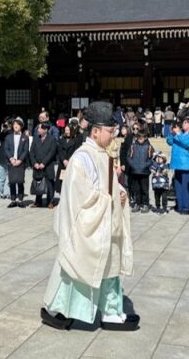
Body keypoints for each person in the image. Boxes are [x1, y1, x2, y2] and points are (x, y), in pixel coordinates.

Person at [41, 101, 137, 332]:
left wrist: (120, 195)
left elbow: (112, 186)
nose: (113, 135)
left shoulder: (104, 155)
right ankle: (58, 310)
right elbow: (79, 196)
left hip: (106, 222)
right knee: (76, 265)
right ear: (95, 131)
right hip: (89, 224)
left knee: (109, 264)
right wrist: (110, 200)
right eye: (109, 130)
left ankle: (111, 311)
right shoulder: (81, 158)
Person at [167, 119, 189, 215]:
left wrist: (179, 133)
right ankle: (180, 206)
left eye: (186, 123)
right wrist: (171, 133)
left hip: (186, 164)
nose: (183, 124)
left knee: (187, 187)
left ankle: (188, 207)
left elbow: (188, 144)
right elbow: (169, 142)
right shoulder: (178, 134)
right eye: (183, 123)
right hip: (177, 164)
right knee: (178, 187)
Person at [29, 122, 58, 209]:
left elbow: (52, 153)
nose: (38, 130)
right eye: (38, 128)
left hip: (48, 165)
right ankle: (38, 201)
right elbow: (31, 152)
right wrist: (34, 163)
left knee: (49, 183)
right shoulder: (36, 138)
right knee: (38, 182)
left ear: (45, 130)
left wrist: (43, 163)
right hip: (37, 165)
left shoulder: (52, 139)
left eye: (40, 128)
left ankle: (50, 201)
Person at [125, 128, 154, 213]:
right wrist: (133, 165)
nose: (140, 140)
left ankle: (145, 204)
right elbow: (128, 157)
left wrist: (146, 165)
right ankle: (137, 203)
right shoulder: (133, 146)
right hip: (135, 171)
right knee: (136, 189)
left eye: (141, 138)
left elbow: (152, 158)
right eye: (138, 138)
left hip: (144, 172)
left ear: (145, 138)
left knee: (144, 189)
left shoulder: (149, 146)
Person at [4, 118, 30, 208]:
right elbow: (6, 149)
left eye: (18, 124)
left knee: (20, 181)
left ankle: (21, 200)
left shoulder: (25, 138)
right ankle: (13, 200)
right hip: (11, 162)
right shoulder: (8, 137)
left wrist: (20, 160)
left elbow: (25, 150)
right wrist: (11, 158)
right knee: (11, 182)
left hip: (20, 162)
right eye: (14, 124)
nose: (15, 126)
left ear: (21, 126)